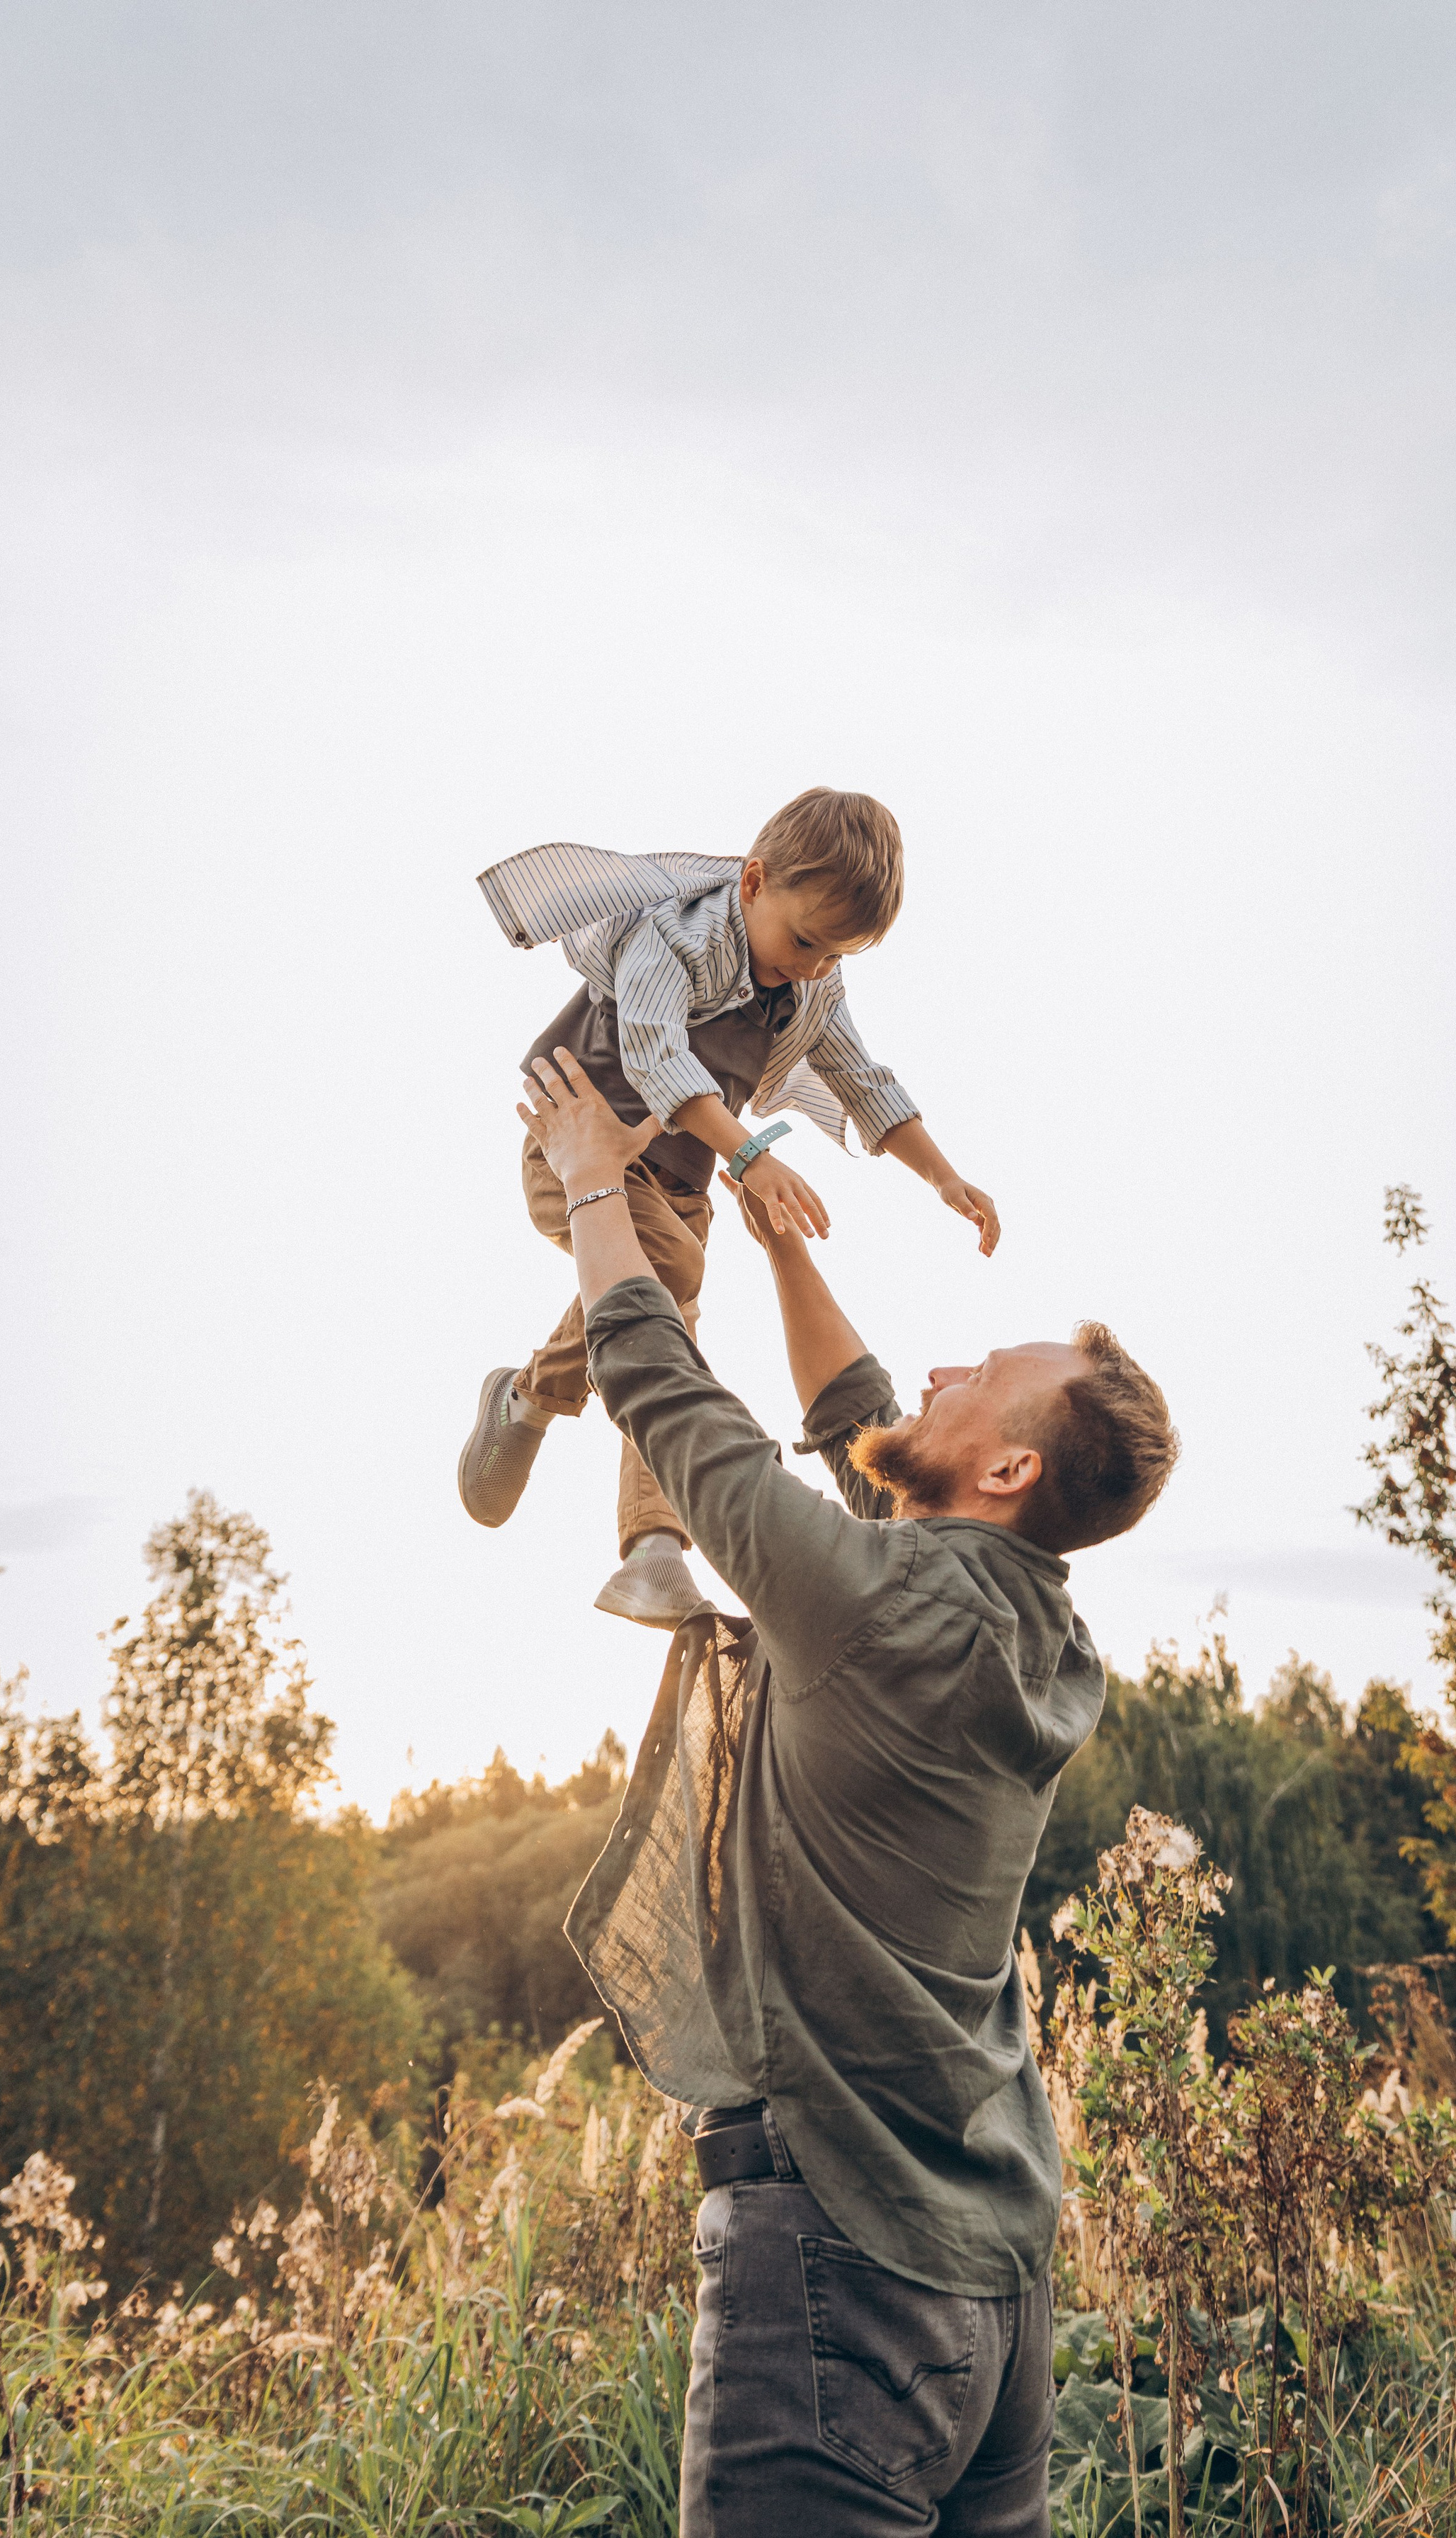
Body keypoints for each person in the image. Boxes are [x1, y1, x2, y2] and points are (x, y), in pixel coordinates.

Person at [515, 1046, 1179, 2538]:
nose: (938, 1370)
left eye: (978, 1379)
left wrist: (593, 1187)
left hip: (844, 2267)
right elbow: (862, 1420)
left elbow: (672, 1403)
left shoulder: (878, 1605)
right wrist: (777, 1241)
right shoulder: (1034, 1629)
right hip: (997, 2287)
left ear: (1007, 1467)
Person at [458, 787, 1000, 1627]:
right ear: (752, 883)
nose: (814, 967)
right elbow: (655, 1055)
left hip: (679, 1185)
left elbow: (862, 1080)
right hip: (578, 1147)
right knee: (668, 1273)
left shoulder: (815, 986)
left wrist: (943, 1176)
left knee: (662, 1340)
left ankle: (651, 1547)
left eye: (836, 954)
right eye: (805, 941)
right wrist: (750, 1155)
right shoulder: (669, 935)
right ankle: (540, 1411)